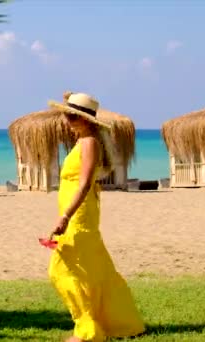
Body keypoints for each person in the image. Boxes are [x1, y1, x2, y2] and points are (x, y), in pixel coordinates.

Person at [46, 92, 145, 342]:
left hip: (79, 214)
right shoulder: (81, 142)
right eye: (66, 114)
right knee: (89, 268)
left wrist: (66, 216)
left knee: (64, 268)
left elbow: (84, 184)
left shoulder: (89, 143)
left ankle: (87, 330)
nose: (67, 119)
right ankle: (102, 324)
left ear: (86, 120)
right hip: (76, 212)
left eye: (72, 115)